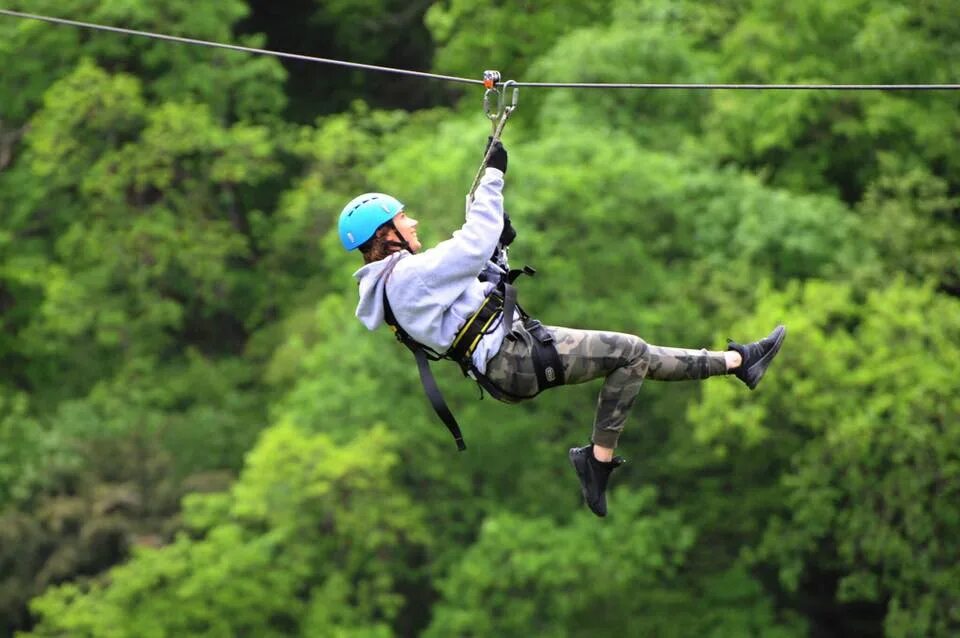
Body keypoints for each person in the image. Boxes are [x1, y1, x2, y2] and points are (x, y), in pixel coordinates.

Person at [339, 139, 785, 517]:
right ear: (385, 236)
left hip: (509, 357)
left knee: (635, 355)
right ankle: (597, 461)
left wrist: (499, 249)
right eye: (402, 219)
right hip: (513, 357)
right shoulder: (404, 279)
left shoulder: (400, 285)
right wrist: (493, 177)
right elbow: (470, 245)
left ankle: (740, 362)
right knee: (630, 352)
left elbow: (475, 276)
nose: (412, 223)